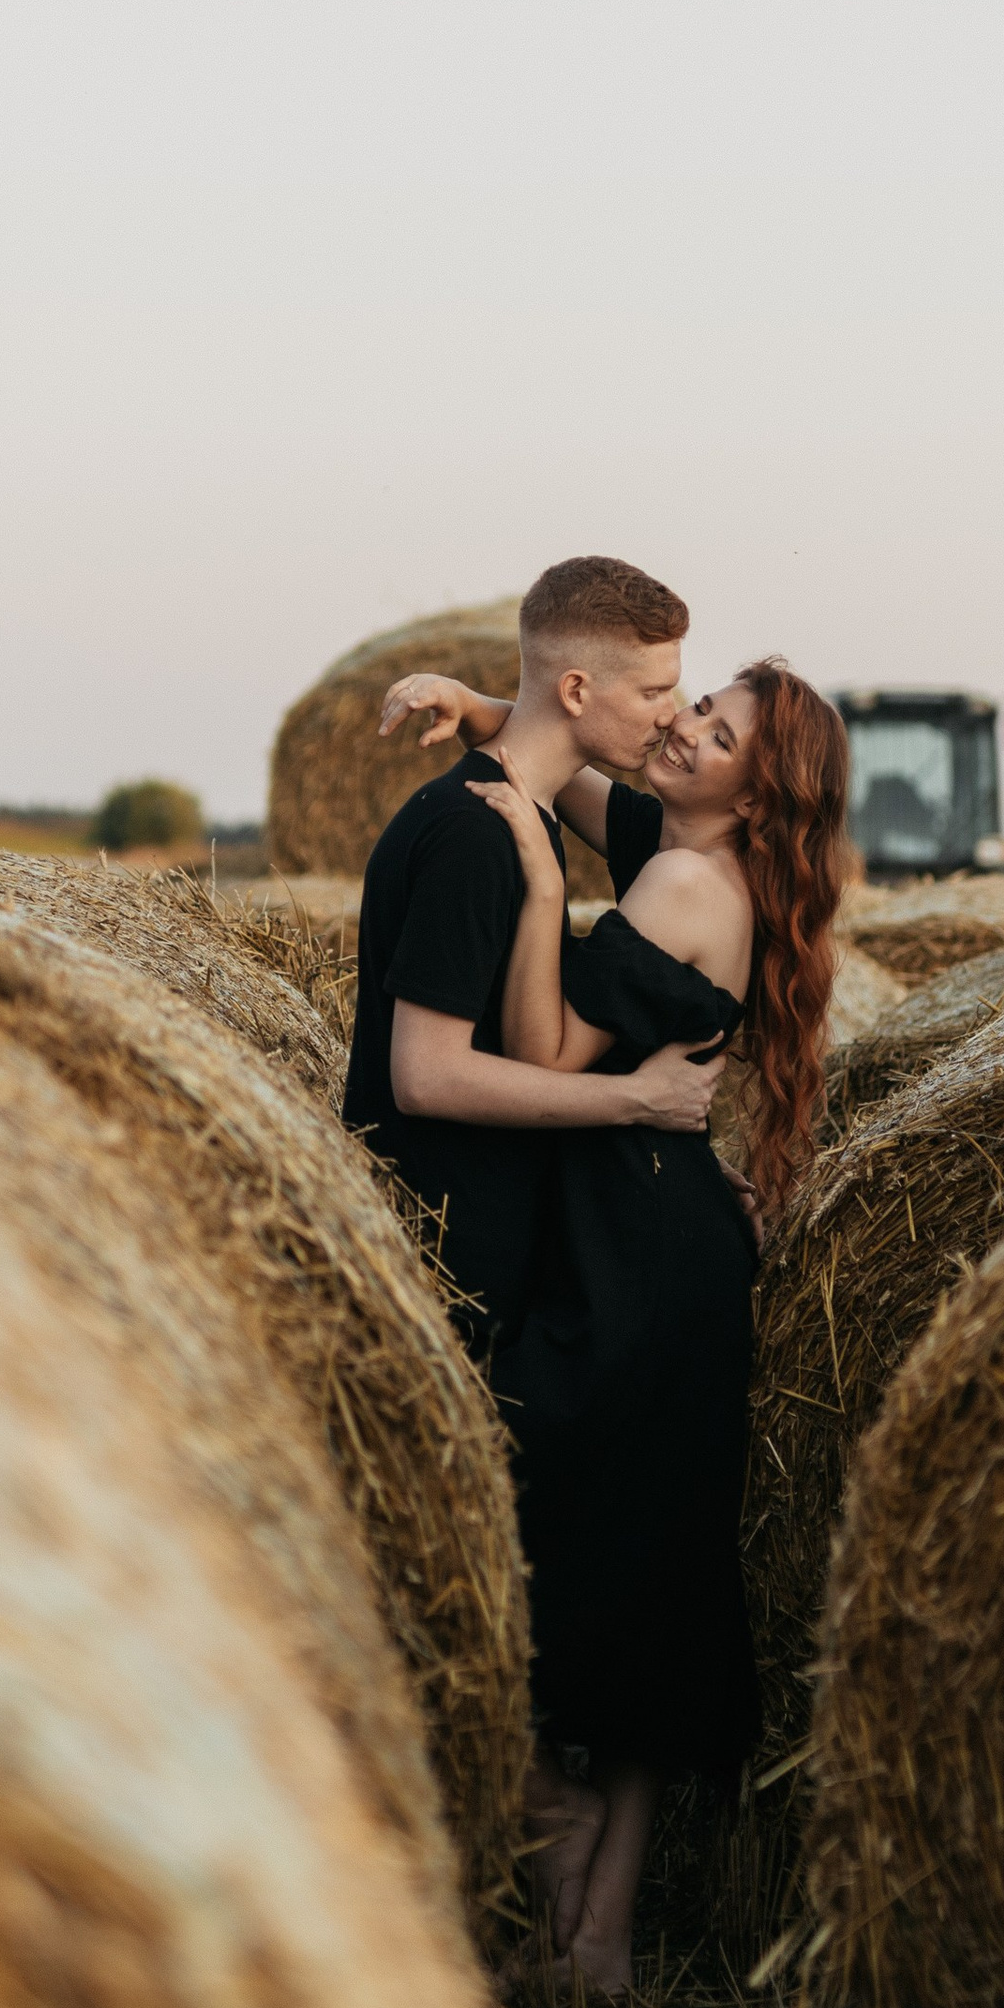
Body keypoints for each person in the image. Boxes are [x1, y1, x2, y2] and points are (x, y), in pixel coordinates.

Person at [379, 646, 851, 1989]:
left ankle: (553, 1821)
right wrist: (487, 711)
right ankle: (594, 1938)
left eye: (716, 729)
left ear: (755, 797)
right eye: (694, 708)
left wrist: (534, 888)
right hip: (661, 1245)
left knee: (517, 1513)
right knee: (658, 1576)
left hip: (637, 1263)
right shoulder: (693, 846)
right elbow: (585, 784)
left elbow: (541, 1049)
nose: (685, 728)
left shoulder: (690, 881)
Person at [341, 550, 720, 1396]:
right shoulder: (478, 836)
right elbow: (425, 1074)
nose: (672, 719)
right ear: (578, 691)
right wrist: (637, 1102)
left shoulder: (525, 817)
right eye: (655, 692)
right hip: (445, 1264)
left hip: (486, 1252)